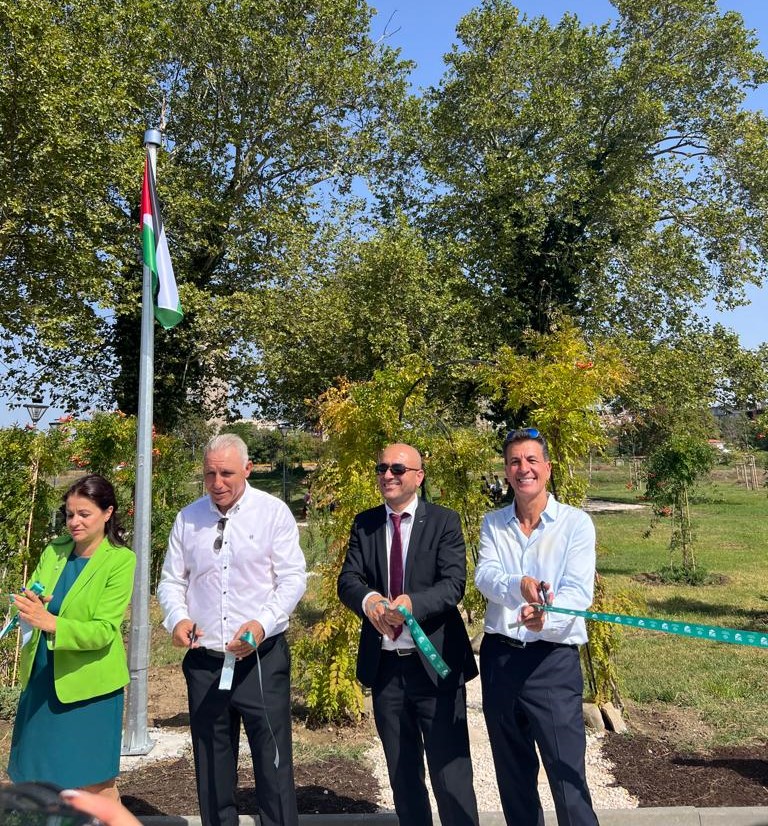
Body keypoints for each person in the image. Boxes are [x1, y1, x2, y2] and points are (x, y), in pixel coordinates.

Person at [157, 433, 307, 826]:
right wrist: (177, 618)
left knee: (273, 765)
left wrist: (262, 624)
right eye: (209, 474)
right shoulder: (188, 518)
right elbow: (171, 581)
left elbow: (292, 579)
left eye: (226, 473)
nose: (217, 483)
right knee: (211, 764)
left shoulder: (273, 513)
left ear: (247, 469)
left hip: (261, 658)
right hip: (206, 662)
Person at [337, 443, 480, 826]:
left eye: (398, 469)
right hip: (386, 671)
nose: (387, 475)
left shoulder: (443, 521)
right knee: (403, 777)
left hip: (435, 667)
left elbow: (454, 584)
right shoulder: (365, 523)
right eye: (382, 467)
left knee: (451, 777)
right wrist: (370, 602)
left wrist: (411, 604)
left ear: (419, 476)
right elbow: (348, 579)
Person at [475, 428, 598, 826]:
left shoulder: (575, 525)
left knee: (567, 776)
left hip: (552, 661)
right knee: (513, 778)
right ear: (506, 471)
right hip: (501, 662)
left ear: (547, 467)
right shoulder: (493, 524)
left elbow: (579, 592)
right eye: (514, 461)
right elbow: (486, 575)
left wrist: (547, 617)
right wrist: (519, 585)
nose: (522, 468)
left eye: (531, 460)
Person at [7, 474, 136, 800]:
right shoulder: (55, 551)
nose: (74, 522)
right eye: (69, 514)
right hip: (42, 677)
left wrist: (51, 622)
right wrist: (29, 603)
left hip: (89, 688)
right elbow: (35, 593)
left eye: (84, 514)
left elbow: (104, 631)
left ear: (107, 513)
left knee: (94, 782)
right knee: (37, 777)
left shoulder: (120, 561)